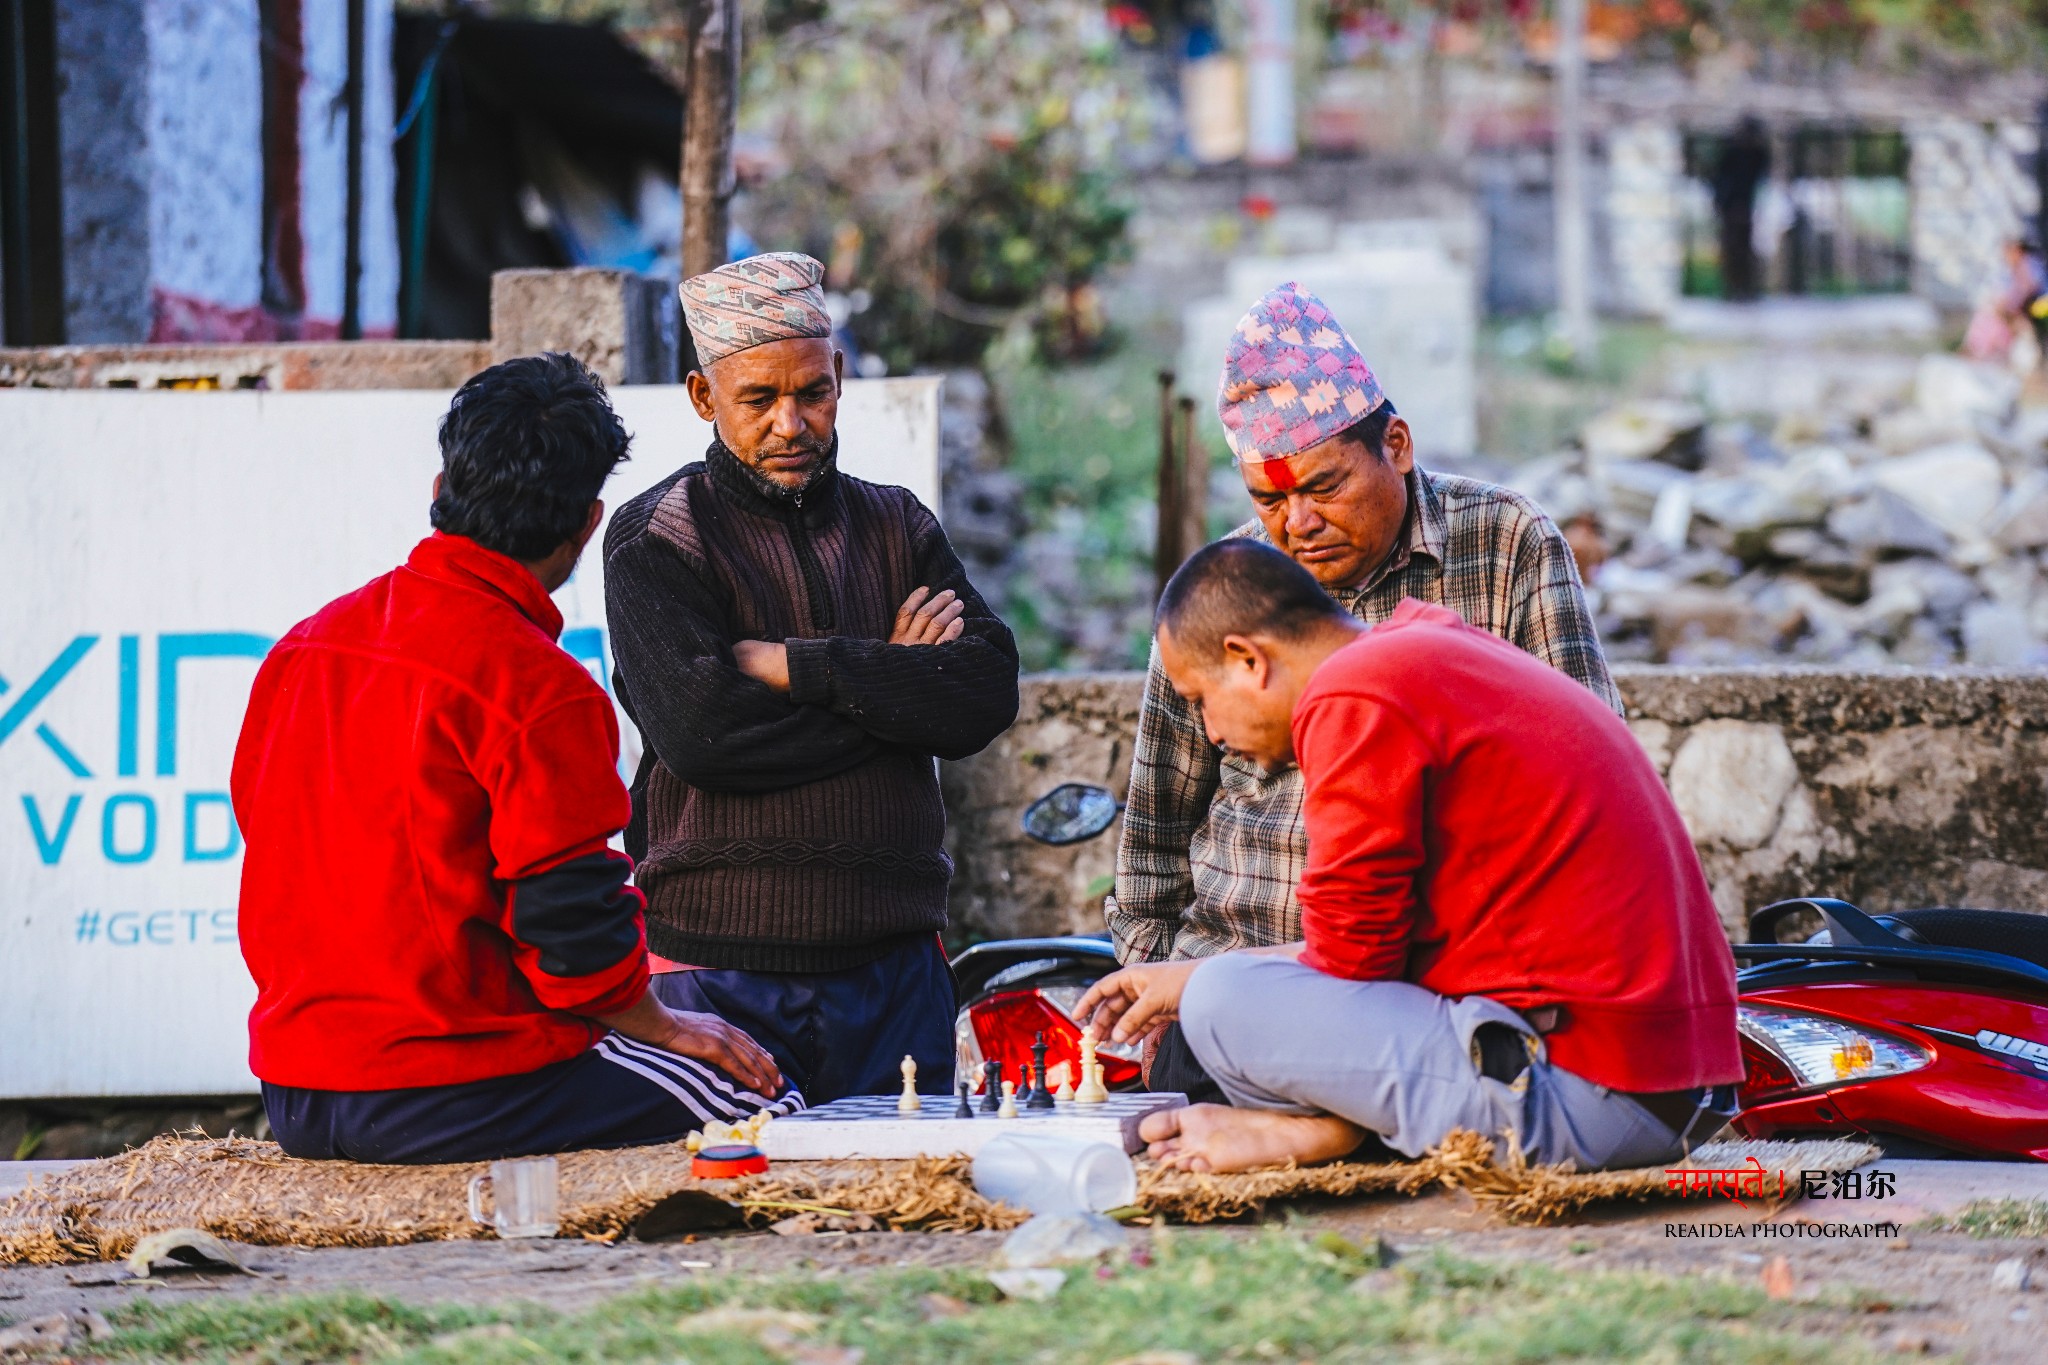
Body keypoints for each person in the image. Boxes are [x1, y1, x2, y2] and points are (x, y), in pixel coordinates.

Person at [234, 354, 799, 1164]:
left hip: (295, 1092)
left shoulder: (304, 646)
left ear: (440, 491)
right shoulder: (541, 686)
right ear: (590, 525)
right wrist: (666, 1025)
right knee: (766, 1095)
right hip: (449, 1087)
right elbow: (570, 926)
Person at [1077, 541, 1742, 1174]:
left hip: (1591, 1094)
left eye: (1200, 700)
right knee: (1221, 984)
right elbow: (1370, 951)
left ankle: (1324, 1134)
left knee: (1220, 1002)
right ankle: (1327, 1129)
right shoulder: (1423, 643)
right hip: (1674, 1083)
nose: (1213, 731)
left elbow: (1351, 962)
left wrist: (1190, 980)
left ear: (1248, 659)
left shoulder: (1352, 691)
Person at [1108, 280, 1618, 1100]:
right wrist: (1162, 990)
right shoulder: (1229, 589)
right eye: (1269, 499)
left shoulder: (1510, 543)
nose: (1297, 524)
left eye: (1323, 486)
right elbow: (1154, 830)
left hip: (1431, 1005)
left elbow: (1591, 774)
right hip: (1230, 1001)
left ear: (1399, 444)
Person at [604, 252, 1019, 1105]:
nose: (791, 423)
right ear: (702, 397)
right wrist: (898, 682)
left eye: (812, 394)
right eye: (759, 399)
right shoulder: (657, 539)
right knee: (737, 1226)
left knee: (902, 1215)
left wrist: (804, 668)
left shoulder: (898, 522)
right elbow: (704, 736)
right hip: (718, 979)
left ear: (838, 379)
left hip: (896, 967)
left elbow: (983, 691)